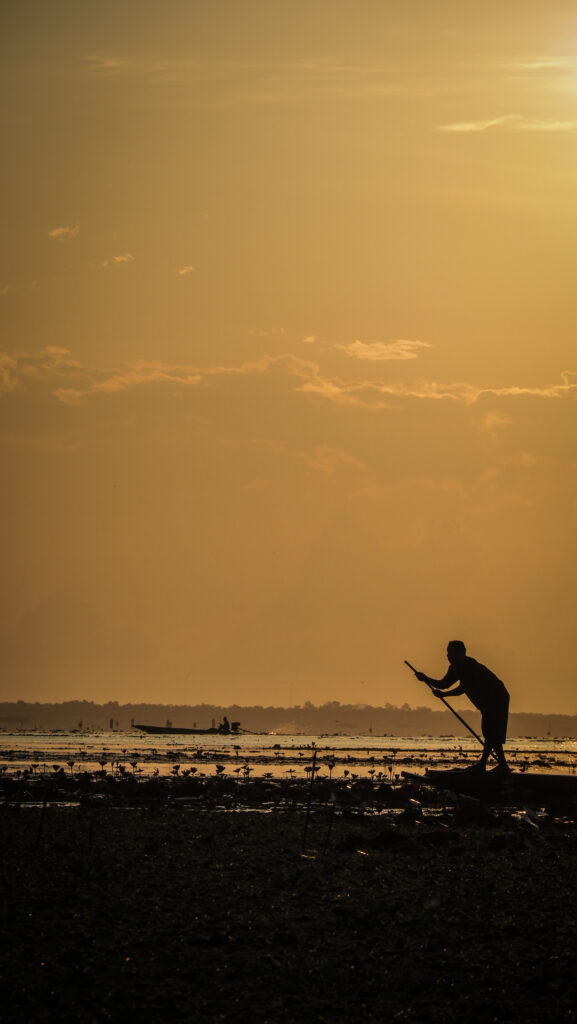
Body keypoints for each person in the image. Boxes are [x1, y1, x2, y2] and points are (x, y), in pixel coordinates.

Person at [415, 640, 510, 773]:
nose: (447, 656)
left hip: (497, 698)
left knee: (489, 730)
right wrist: (425, 678)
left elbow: (463, 688)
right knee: (490, 731)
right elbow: (443, 684)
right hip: (486, 703)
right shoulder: (454, 668)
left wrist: (444, 695)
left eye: (450, 653)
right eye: (447, 653)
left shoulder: (468, 665)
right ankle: (502, 765)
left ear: (460, 653)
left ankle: (485, 765)